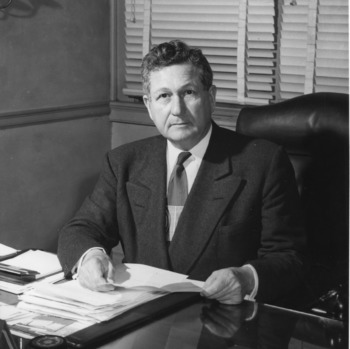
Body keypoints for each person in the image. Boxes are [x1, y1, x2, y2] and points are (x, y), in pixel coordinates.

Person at [57, 40, 305, 305]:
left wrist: (246, 277)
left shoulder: (262, 163)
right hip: (141, 316)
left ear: (211, 97)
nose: (177, 110)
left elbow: (289, 257)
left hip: (220, 319)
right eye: (164, 96)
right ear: (149, 105)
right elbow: (81, 229)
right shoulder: (123, 162)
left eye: (188, 92)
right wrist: (90, 256)